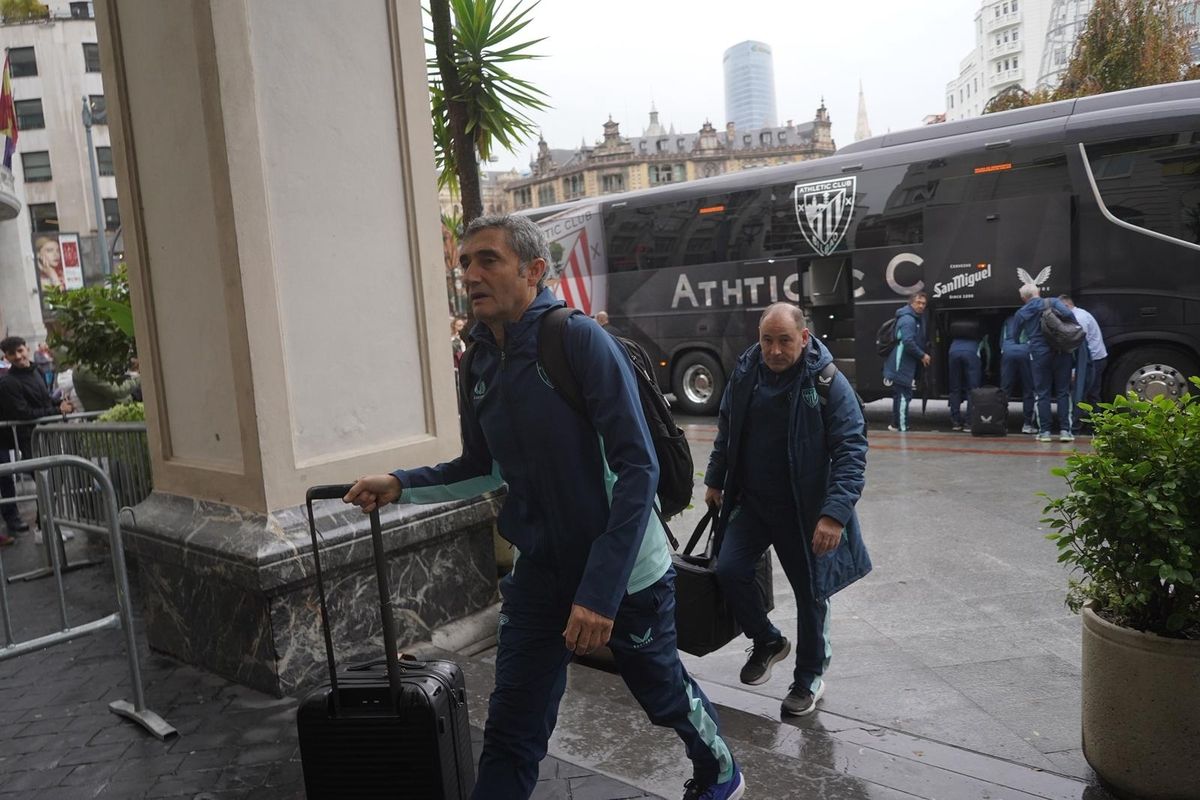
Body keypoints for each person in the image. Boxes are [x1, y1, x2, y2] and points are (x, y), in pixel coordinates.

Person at [344, 214, 744, 800]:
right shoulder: (478, 359)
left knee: (661, 693)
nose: (471, 275)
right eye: (464, 264)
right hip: (541, 573)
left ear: (533, 271)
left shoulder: (578, 341)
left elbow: (639, 471)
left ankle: (720, 769)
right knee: (513, 723)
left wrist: (600, 593)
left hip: (625, 573)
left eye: (488, 261)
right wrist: (400, 483)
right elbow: (480, 466)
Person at [705, 303, 869, 718]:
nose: (775, 351)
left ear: (804, 338)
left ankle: (808, 678)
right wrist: (715, 478)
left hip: (805, 512)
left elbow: (851, 449)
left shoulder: (828, 382)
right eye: (767, 340)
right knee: (728, 569)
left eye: (784, 341)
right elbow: (728, 428)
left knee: (811, 595)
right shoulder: (745, 373)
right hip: (754, 503)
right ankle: (767, 639)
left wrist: (834, 514)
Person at [0, 336, 73, 543]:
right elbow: (23, 413)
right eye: (12, 354)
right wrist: (56, 409)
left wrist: (59, 403)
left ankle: (47, 527)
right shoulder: (7, 383)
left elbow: (45, 399)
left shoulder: (37, 371)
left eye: (20, 351)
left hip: (46, 434)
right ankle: (44, 529)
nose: (18, 356)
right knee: (46, 482)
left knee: (53, 482)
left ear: (28, 349)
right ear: (6, 357)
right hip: (28, 439)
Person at [1013, 284, 1078, 442]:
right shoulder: (1053, 302)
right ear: (1039, 292)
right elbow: (1070, 316)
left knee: (1042, 393)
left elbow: (1015, 336)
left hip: (1039, 355)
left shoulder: (1022, 312)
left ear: (1023, 298)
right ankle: (1065, 431)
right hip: (1061, 352)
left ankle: (1045, 432)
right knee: (1063, 391)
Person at [882, 292, 930, 432]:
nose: (921, 306)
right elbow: (908, 342)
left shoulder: (909, 317)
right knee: (904, 395)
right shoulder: (909, 320)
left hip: (901, 362)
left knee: (899, 394)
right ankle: (902, 426)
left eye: (923, 303)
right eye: (918, 303)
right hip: (902, 364)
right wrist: (922, 355)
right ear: (911, 303)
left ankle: (895, 424)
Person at [1059, 295, 1107, 433]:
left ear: (1066, 306)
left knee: (1084, 393)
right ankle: (1096, 425)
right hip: (1098, 357)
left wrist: (1074, 370)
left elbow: (1080, 346)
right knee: (1093, 393)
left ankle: (1081, 426)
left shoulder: (1079, 319)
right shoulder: (1081, 314)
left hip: (1093, 360)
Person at [946, 318, 992, 432]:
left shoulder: (955, 337)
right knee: (972, 389)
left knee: (955, 388)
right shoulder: (981, 335)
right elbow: (987, 350)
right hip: (971, 354)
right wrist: (988, 367)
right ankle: (969, 423)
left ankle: (955, 422)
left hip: (953, 352)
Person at [1000, 312, 1037, 434]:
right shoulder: (1030, 319)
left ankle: (1001, 423)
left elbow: (1002, 340)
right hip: (1025, 352)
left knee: (1005, 389)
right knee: (1028, 388)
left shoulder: (1008, 319)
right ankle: (1027, 424)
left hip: (1008, 351)